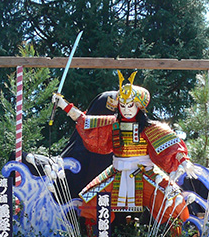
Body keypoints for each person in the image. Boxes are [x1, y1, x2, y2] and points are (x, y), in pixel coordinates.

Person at [52, 71, 197, 227]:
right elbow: (84, 120)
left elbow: (172, 145)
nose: (127, 109)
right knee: (92, 200)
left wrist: (184, 162)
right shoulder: (111, 124)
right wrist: (63, 105)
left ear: (139, 106)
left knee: (174, 201)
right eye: (123, 105)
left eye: (130, 105)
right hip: (117, 172)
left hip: (145, 173)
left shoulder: (151, 128)